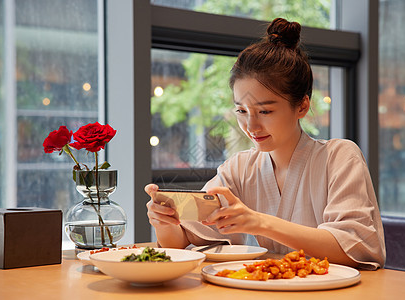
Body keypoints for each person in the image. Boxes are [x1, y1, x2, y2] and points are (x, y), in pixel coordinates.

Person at [145, 17, 386, 269]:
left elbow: (354, 248)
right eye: (241, 111)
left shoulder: (340, 157)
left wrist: (259, 222)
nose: (251, 126)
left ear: (302, 105)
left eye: (265, 112)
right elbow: (182, 241)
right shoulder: (239, 168)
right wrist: (165, 221)